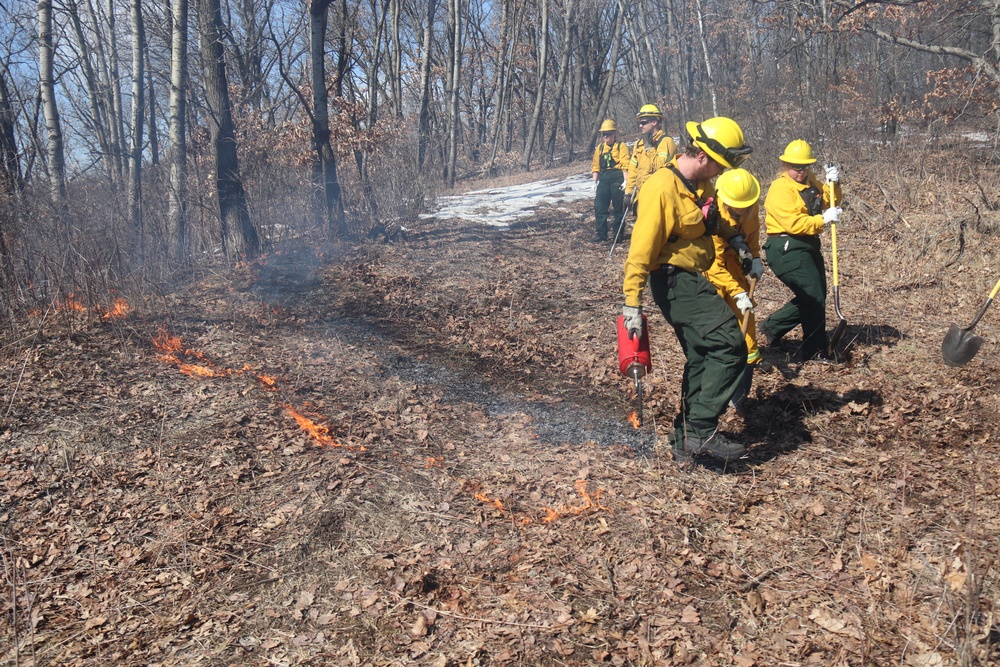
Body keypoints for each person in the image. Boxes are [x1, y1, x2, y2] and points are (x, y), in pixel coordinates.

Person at [621, 117, 754, 464]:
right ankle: (700, 430)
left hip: (693, 275)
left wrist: (737, 240)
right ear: (703, 157)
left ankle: (684, 440)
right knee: (729, 344)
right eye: (720, 165)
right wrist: (631, 304)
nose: (720, 174)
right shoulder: (661, 188)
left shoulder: (699, 185)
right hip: (673, 280)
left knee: (702, 355)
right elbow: (640, 250)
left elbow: (713, 218)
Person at [759, 139, 843, 363]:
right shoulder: (780, 189)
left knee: (816, 296)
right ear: (786, 165)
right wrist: (823, 219)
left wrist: (833, 184)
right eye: (796, 167)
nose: (801, 172)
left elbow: (828, 200)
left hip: (808, 244)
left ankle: (773, 326)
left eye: (805, 167)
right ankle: (815, 351)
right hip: (786, 247)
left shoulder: (811, 181)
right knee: (813, 295)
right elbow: (794, 223)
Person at [703, 168, 766, 409]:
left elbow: (753, 233)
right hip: (714, 272)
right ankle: (714, 387)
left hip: (736, 266)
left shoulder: (751, 206)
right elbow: (713, 264)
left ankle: (740, 391)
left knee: (746, 326)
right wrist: (737, 292)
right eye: (736, 207)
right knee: (717, 329)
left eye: (745, 206)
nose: (740, 210)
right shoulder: (712, 214)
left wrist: (756, 257)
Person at [623, 104, 678, 217]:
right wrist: (628, 193)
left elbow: (661, 166)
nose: (640, 126)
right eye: (639, 123)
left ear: (654, 122)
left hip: (658, 196)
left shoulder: (666, 142)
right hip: (641, 196)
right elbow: (633, 170)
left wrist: (649, 148)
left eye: (643, 122)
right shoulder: (639, 144)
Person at [589, 119, 630, 242]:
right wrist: (594, 182)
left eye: (608, 133)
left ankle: (618, 235)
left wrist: (626, 180)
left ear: (614, 133)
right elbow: (595, 166)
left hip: (617, 178)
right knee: (600, 207)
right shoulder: (600, 148)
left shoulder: (621, 146)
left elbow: (625, 164)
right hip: (604, 178)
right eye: (604, 134)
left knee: (618, 208)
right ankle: (602, 234)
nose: (606, 136)